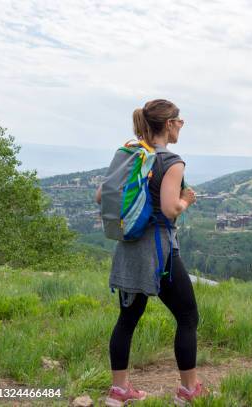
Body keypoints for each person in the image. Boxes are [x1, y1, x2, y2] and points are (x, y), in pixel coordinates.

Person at [95, 99, 207, 406]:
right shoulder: (172, 162)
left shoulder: (131, 155)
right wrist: (186, 200)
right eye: (180, 121)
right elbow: (171, 209)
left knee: (127, 320)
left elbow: (101, 195)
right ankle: (188, 390)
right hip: (160, 253)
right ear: (169, 124)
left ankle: (119, 392)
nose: (181, 126)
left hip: (129, 250)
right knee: (187, 316)